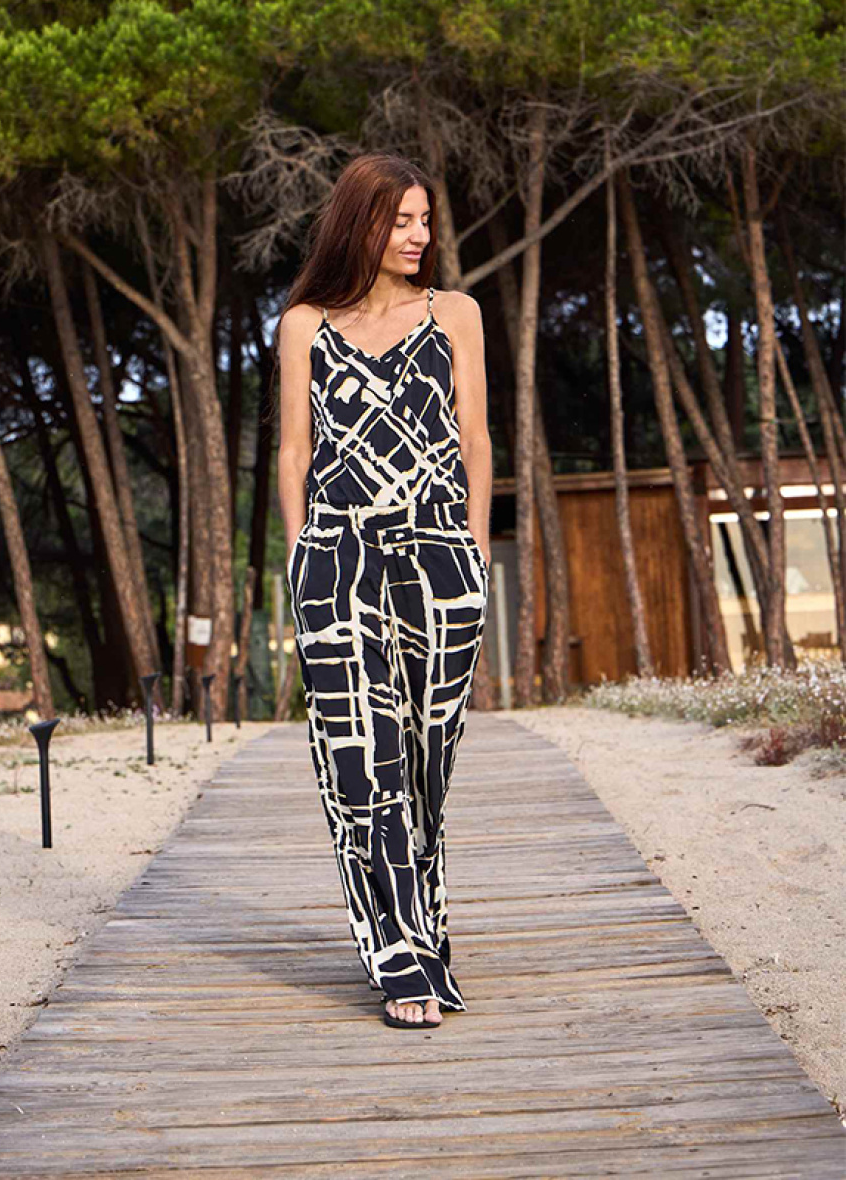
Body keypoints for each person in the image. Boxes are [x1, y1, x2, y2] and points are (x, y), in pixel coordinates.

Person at [275, 152, 492, 1030]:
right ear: (359, 222)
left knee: (428, 763)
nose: (419, 235)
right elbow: (294, 451)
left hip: (441, 557)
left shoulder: (456, 315)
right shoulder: (305, 326)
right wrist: (302, 554)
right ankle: (400, 960)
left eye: (424, 220)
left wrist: (475, 547)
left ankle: (424, 930)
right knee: (365, 761)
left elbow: (475, 439)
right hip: (339, 558)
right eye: (401, 220)